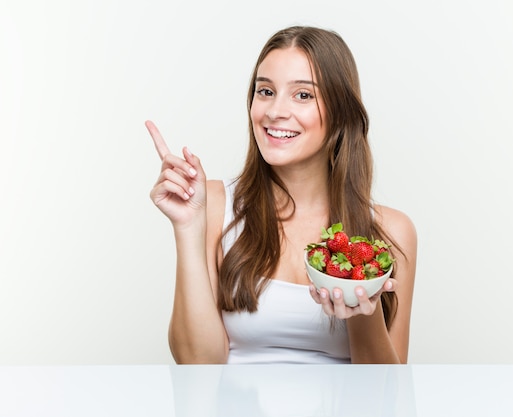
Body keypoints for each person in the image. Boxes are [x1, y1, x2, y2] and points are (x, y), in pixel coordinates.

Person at [146, 26, 417, 364]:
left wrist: (363, 313)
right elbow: (197, 365)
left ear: (340, 113)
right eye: (265, 91)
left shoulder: (391, 232)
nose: (274, 111)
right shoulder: (214, 205)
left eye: (303, 95)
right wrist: (187, 228)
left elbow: (387, 394)